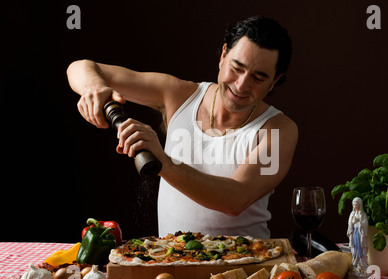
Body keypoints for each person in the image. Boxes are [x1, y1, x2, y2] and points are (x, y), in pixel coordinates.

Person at [67, 16, 298, 238]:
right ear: (224, 55)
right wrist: (94, 88)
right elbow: (80, 67)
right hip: (171, 261)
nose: (241, 85)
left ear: (275, 81)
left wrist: (165, 163)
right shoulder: (177, 94)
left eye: (258, 78)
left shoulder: (279, 131)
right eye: (236, 68)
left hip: (246, 269)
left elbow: (235, 199)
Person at [347, 197, 369, 277]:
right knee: (354, 247)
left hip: (360, 233)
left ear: (360, 205)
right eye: (354, 205)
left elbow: (365, 223)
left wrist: (359, 223)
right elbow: (350, 223)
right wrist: (353, 222)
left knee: (361, 247)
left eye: (356, 205)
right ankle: (355, 262)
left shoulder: (363, 214)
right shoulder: (352, 214)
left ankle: (361, 264)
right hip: (354, 233)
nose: (355, 206)